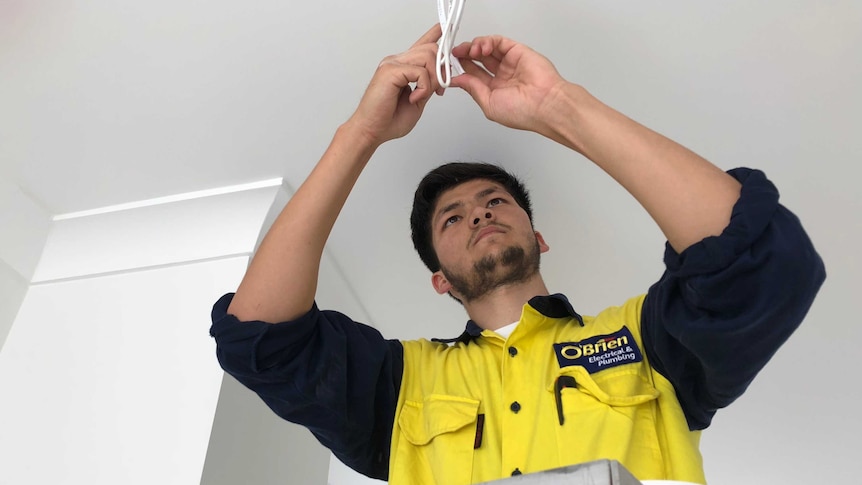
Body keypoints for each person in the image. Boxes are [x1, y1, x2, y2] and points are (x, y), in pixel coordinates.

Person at [209, 25, 825, 484]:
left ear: (540, 238)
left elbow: (766, 263)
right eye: (453, 218)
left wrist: (560, 106)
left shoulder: (644, 342)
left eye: (495, 201)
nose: (478, 213)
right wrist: (360, 134)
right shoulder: (398, 387)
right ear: (440, 281)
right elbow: (258, 337)